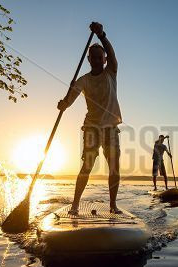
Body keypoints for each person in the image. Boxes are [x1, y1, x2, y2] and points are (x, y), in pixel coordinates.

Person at [57, 22, 122, 214]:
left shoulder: (112, 71)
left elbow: (111, 51)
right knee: (87, 167)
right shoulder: (83, 80)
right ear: (88, 59)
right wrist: (63, 104)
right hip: (92, 128)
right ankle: (75, 206)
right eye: (92, 57)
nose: (96, 59)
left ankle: (113, 206)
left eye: (99, 57)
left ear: (104, 59)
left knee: (114, 169)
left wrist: (101, 35)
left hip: (111, 127)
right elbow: (69, 100)